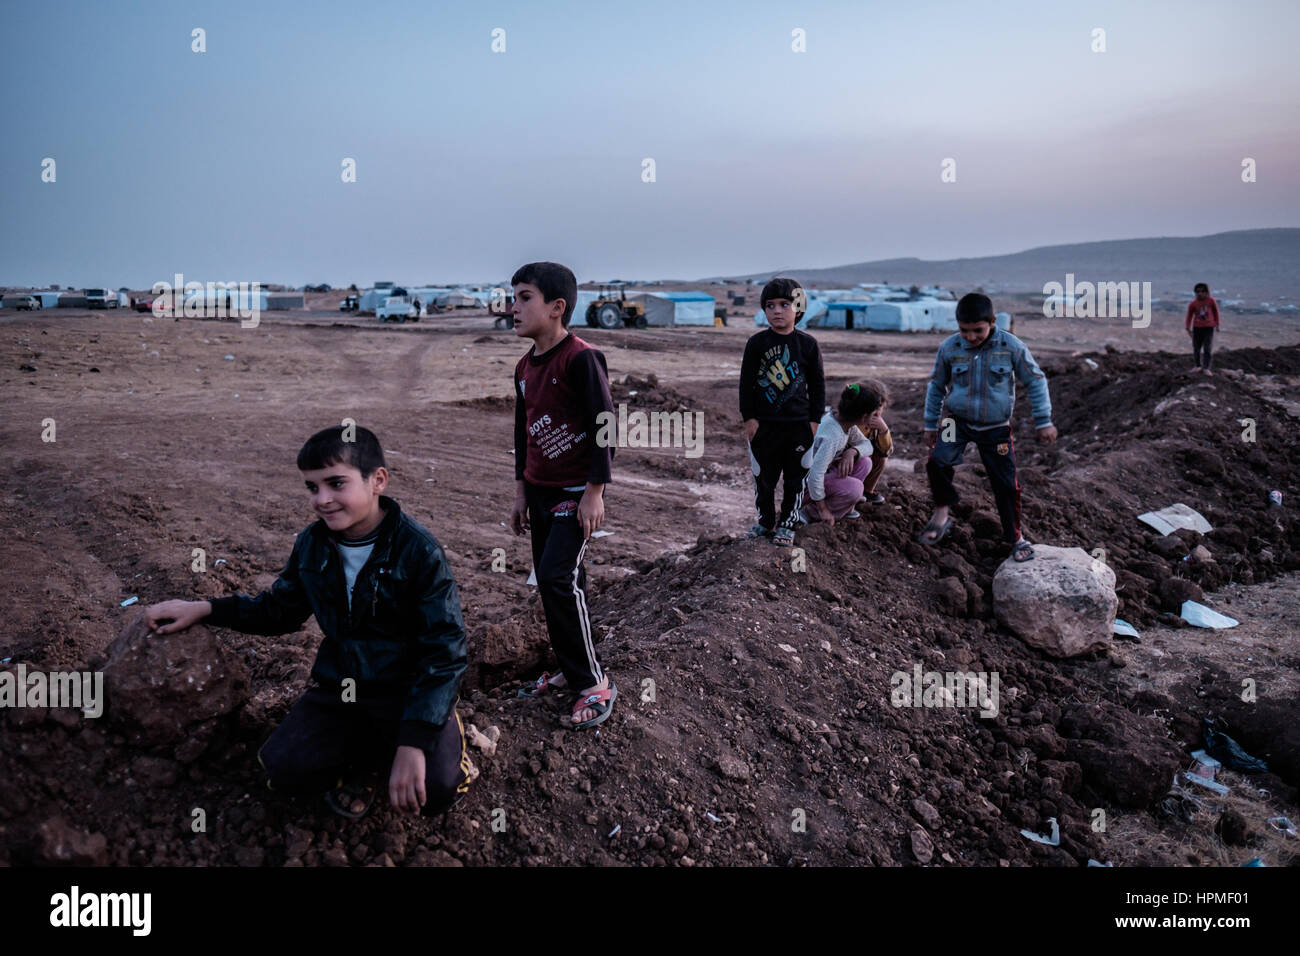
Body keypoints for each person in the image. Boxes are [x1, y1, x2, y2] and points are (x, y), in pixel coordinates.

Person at [143, 425, 471, 820]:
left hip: (409, 693)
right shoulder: (313, 544)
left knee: (434, 790)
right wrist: (207, 608)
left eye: (336, 483)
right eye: (312, 488)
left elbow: (445, 651)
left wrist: (415, 740)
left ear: (377, 480)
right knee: (283, 772)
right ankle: (369, 765)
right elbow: (278, 610)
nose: (322, 500)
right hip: (344, 691)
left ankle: (449, 747)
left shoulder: (419, 551)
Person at [508, 261, 618, 730]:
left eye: (524, 297)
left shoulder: (581, 358)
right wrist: (519, 491)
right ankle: (569, 670)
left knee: (556, 579)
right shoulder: (523, 366)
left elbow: (605, 425)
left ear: (557, 307)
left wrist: (594, 492)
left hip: (575, 493)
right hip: (538, 492)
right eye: (512, 296)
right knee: (562, 583)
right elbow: (523, 429)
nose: (513, 307)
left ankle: (594, 683)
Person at [919, 292, 1057, 561]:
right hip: (955, 421)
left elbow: (1036, 381)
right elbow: (936, 386)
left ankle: (1015, 537)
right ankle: (941, 514)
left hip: (996, 427)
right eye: (964, 330)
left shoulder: (1011, 346)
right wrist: (930, 423)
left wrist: (1044, 420)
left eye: (977, 330)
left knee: (1006, 484)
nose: (970, 337)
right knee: (937, 461)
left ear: (993, 322)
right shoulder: (949, 348)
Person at [740, 277, 826, 546]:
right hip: (765, 426)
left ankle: (788, 524)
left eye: (784, 304)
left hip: (799, 426)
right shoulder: (756, 344)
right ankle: (765, 522)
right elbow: (746, 384)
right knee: (763, 480)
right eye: (770, 305)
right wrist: (750, 419)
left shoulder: (808, 345)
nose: (777, 310)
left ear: (798, 308)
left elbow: (818, 387)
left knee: (795, 480)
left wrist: (814, 423)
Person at [797, 382, 887, 525]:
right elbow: (815, 476)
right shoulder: (832, 436)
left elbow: (866, 445)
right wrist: (822, 509)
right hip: (804, 487)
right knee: (856, 488)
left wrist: (852, 452)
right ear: (864, 417)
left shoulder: (843, 422)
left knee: (865, 462)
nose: (876, 418)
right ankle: (809, 511)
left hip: (822, 477)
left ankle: (846, 506)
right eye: (874, 414)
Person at [1186, 282, 1220, 375]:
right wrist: (1188, 328)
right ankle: (1197, 366)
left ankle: (1206, 368)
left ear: (1207, 292)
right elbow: (1189, 316)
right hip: (1197, 328)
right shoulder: (1193, 304)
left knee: (1207, 348)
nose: (1200, 293)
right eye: (1198, 292)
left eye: (1202, 291)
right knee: (1196, 348)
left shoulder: (1211, 301)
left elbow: (1216, 312)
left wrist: (1217, 324)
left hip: (1208, 328)